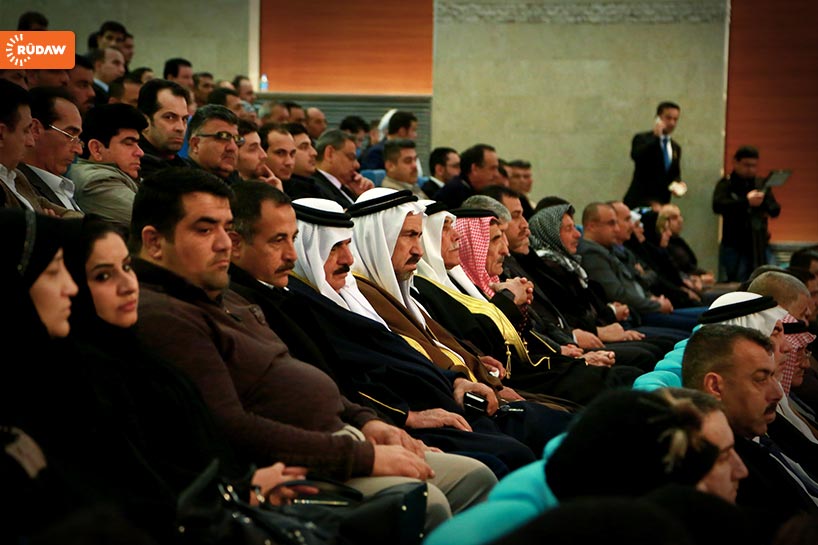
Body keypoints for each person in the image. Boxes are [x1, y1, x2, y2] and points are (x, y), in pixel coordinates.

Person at [128, 168, 496, 529]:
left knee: (476, 474)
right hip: (301, 463)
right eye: (205, 229)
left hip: (347, 433)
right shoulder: (167, 315)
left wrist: (369, 422)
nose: (225, 243)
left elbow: (315, 379)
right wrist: (366, 453)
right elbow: (233, 426)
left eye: (226, 229)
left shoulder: (227, 299)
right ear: (154, 242)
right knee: (427, 500)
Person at [227, 184, 536, 475]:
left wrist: (455, 379)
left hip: (422, 407)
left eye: (347, 245)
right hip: (375, 425)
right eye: (333, 248)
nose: (348, 259)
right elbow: (340, 380)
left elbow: (403, 351)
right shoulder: (294, 300)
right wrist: (401, 417)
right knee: (503, 458)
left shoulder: (339, 293)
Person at [682, 324, 818, 539]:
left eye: (773, 376)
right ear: (715, 386)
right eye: (760, 379)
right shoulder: (727, 474)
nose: (776, 392)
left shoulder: (758, 426)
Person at [68, 104, 146, 225]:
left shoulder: (120, 174)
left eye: (137, 144)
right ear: (97, 149)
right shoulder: (96, 182)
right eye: (128, 143)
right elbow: (160, 220)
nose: (140, 152)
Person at [714, 145, 782, 282]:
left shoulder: (760, 184)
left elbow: (775, 210)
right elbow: (717, 206)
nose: (750, 169)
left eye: (754, 166)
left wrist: (763, 201)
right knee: (737, 282)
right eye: (746, 165)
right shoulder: (726, 184)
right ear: (736, 162)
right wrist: (746, 202)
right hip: (734, 244)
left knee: (770, 279)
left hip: (759, 243)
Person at [17, 86, 85, 213]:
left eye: (78, 139)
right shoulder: (18, 186)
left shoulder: (64, 186)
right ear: (35, 129)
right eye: (70, 135)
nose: (78, 150)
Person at [623, 101, 684, 208]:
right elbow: (637, 156)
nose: (672, 123)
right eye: (668, 118)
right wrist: (655, 138)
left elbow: (674, 173)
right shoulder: (642, 139)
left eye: (675, 119)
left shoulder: (675, 147)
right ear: (658, 118)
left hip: (662, 203)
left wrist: (678, 184)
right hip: (639, 201)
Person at [136, 79, 191, 176]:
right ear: (145, 121)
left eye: (184, 119)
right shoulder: (134, 166)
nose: (180, 128)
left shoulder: (183, 166)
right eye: (169, 117)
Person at [186, 104, 242, 185]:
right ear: (195, 144)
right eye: (223, 137)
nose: (233, 147)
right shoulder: (178, 184)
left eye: (237, 139)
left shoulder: (236, 182)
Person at [435, 144, 501, 208]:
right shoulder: (453, 194)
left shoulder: (474, 189)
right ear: (475, 168)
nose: (496, 174)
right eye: (492, 168)